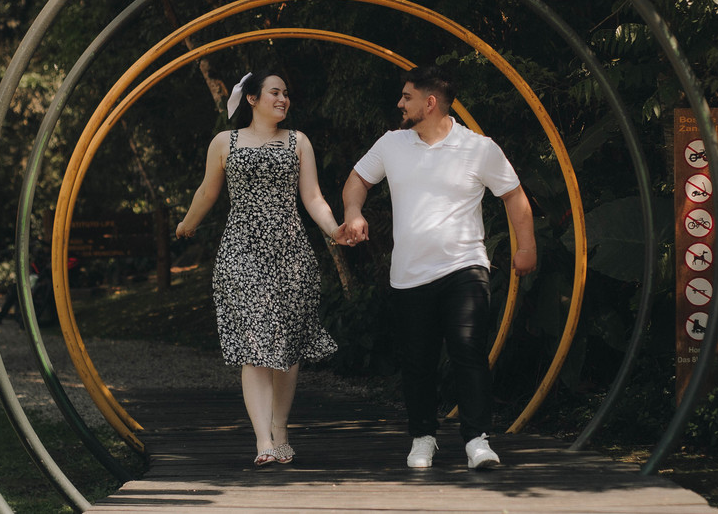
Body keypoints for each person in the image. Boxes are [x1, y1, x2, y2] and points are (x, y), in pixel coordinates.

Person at [341, 65, 537, 470]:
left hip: (465, 266)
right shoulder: (391, 144)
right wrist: (353, 212)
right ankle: (423, 438)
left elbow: (513, 195)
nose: (400, 103)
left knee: (468, 351)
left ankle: (477, 441)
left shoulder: (478, 148)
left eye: (407, 96)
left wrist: (527, 247)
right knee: (418, 361)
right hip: (409, 274)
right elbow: (357, 179)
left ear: (430, 103)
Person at [176, 70, 348, 467]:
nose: (283, 99)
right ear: (252, 99)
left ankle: (280, 429)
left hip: (290, 253)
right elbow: (207, 191)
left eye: (286, 93)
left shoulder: (298, 141)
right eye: (275, 92)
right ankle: (263, 441)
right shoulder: (225, 142)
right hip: (241, 252)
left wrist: (334, 229)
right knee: (254, 346)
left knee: (287, 347)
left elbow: (313, 197)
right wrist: (187, 223)